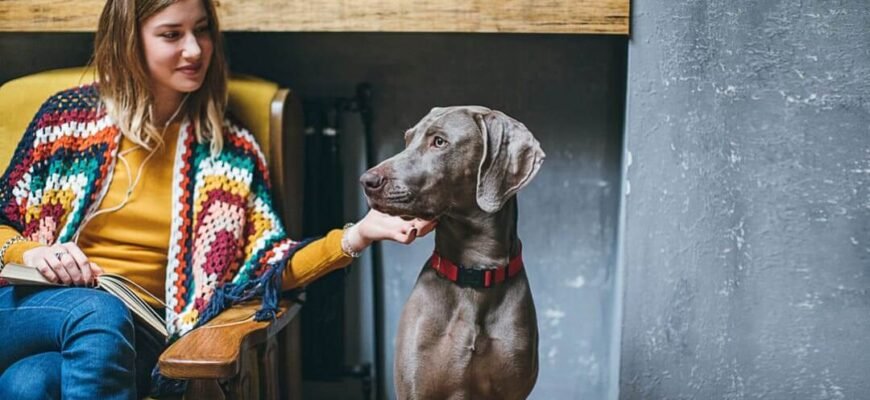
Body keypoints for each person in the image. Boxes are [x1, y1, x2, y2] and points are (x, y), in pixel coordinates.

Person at [0, 0, 435, 398]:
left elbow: (267, 265)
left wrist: (357, 235)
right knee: (97, 313)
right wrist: (35, 252)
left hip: (141, 334)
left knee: (29, 382)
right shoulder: (66, 121)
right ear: (128, 41)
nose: (194, 50)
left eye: (202, 31)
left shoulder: (228, 153)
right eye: (172, 35)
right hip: (33, 308)